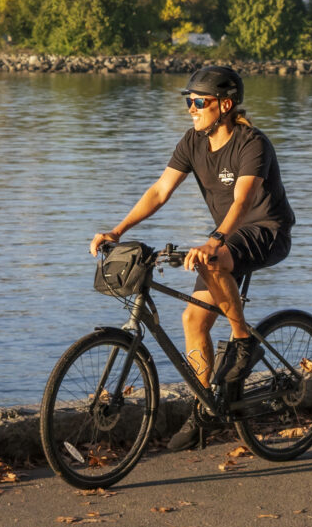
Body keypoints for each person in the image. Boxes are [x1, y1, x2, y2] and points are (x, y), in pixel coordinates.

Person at [91, 64, 294, 448]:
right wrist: (117, 231)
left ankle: (243, 342)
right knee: (192, 320)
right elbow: (159, 191)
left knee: (212, 258)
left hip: (267, 231)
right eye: (189, 101)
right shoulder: (193, 141)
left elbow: (243, 201)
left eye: (199, 101)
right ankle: (206, 408)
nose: (191, 108)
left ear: (225, 105)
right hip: (226, 239)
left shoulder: (252, 144)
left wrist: (214, 240)